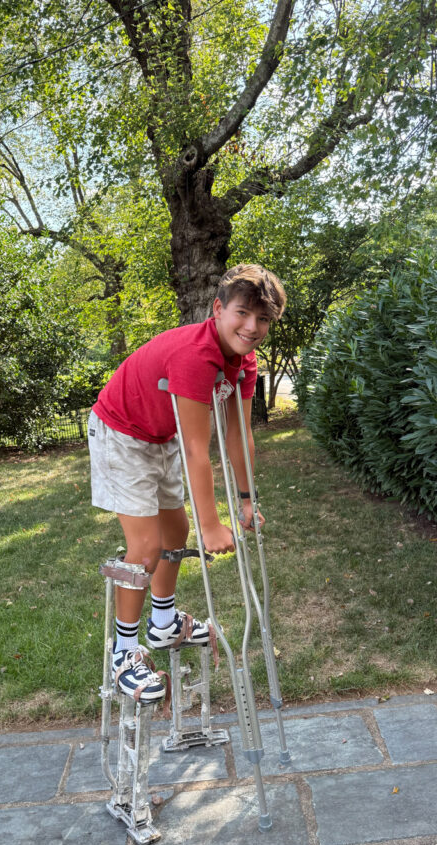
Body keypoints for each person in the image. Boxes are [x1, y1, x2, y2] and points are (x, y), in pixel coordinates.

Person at [88, 263, 287, 704]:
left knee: (175, 532)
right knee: (146, 546)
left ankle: (163, 623)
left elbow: (238, 434)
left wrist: (246, 500)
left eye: (263, 319)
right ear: (218, 309)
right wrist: (212, 525)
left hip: (159, 435)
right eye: (242, 314)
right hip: (120, 431)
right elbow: (199, 450)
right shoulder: (196, 356)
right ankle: (123, 653)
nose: (252, 327)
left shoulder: (244, 361)